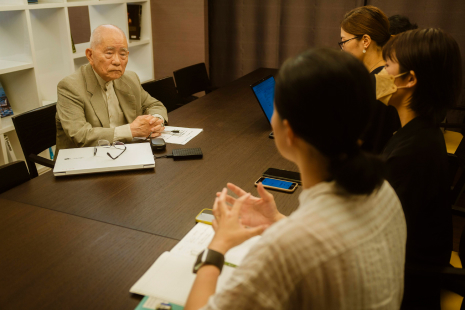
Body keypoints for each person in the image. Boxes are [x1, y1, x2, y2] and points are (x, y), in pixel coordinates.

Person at [184, 48, 407, 310]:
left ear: (289, 132)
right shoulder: (382, 190)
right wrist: (279, 221)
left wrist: (217, 246)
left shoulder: (285, 250)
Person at [378, 28, 462, 309]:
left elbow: (372, 240)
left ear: (409, 79)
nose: (380, 73)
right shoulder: (421, 132)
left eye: (387, 65)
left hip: (405, 285)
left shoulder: (411, 153)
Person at [55, 24, 167, 154]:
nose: (117, 61)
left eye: (123, 54)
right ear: (90, 55)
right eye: (109, 53)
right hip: (84, 159)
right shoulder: (70, 87)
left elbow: (154, 105)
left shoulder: (130, 78)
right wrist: (131, 130)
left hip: (123, 152)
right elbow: (81, 136)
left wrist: (154, 121)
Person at [340, 5, 401, 154]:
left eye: (344, 41)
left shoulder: (371, 84)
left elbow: (350, 145)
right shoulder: (390, 74)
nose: (342, 48)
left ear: (365, 41)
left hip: (367, 168)